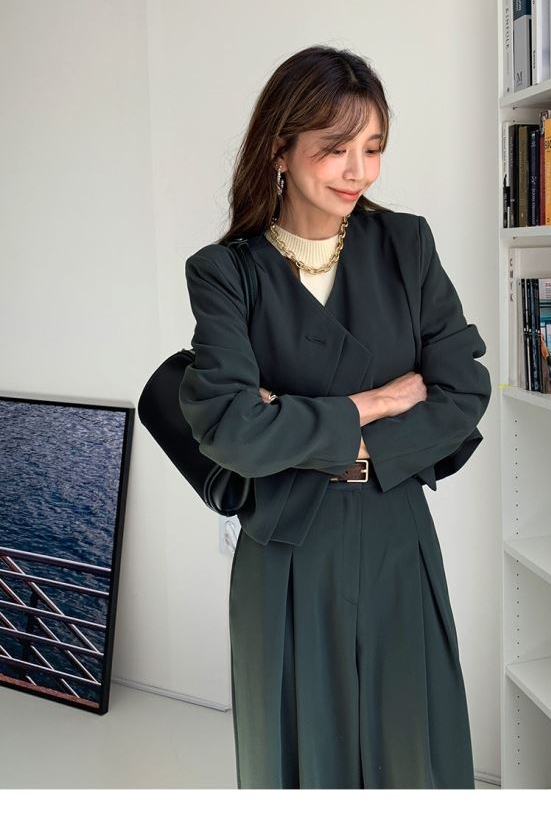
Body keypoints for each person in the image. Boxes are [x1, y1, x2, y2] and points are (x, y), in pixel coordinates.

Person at [178, 45, 492, 788]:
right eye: (335, 148)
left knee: (408, 749)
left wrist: (308, 428)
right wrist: (371, 403)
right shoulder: (226, 273)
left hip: (394, 531)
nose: (359, 171)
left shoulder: (406, 245)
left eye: (373, 148)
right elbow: (231, 427)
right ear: (280, 149)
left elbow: (462, 392)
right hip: (286, 545)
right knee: (296, 759)